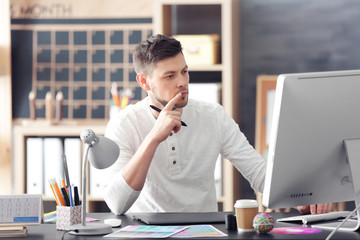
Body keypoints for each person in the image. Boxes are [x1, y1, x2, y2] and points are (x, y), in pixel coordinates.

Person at [101, 34, 331, 215]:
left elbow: (259, 173)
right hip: (147, 231)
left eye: (184, 71)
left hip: (203, 230)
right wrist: (153, 139)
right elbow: (117, 204)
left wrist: (303, 196)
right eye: (169, 76)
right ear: (144, 82)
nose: (182, 82)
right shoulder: (123, 124)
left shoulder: (213, 115)